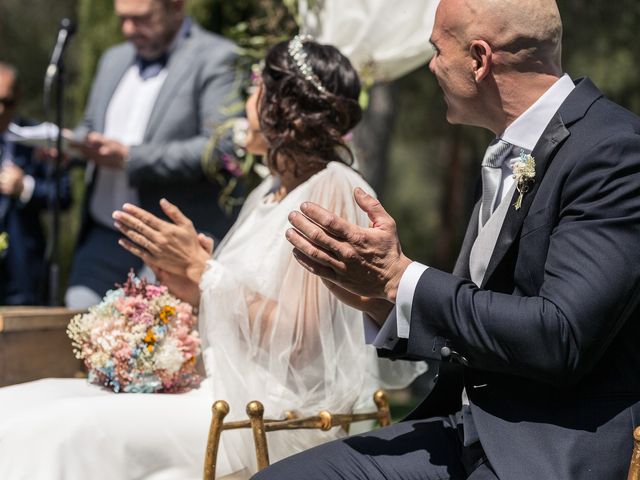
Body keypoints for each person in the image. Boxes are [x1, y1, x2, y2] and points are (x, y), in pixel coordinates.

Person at [0, 37, 423, 480]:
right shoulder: (267, 193)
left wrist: (204, 272)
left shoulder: (332, 188)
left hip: (266, 414)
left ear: (281, 106)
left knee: (57, 430)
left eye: (255, 89)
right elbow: (240, 303)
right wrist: (189, 282)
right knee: (27, 398)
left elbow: (302, 338)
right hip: (222, 390)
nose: (245, 102)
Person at [259, 0, 640, 479]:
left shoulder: (614, 150)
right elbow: (484, 317)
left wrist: (404, 280)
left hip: (546, 448)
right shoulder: (509, 149)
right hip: (463, 428)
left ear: (479, 60)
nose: (432, 65)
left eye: (438, 50)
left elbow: (559, 336)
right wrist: (381, 299)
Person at [65, 0, 244, 309]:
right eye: (123, 19)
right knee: (76, 323)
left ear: (176, 7)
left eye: (141, 19)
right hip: (103, 235)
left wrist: (131, 158)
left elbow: (220, 148)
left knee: (152, 346)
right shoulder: (113, 59)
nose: (128, 30)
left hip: (166, 239)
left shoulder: (217, 56)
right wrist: (67, 148)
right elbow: (91, 125)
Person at [0, 61, 71, 305]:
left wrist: (25, 188)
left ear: (18, 98)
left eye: (6, 102)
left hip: (24, 266)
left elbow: (63, 195)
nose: (0, 110)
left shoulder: (38, 137)